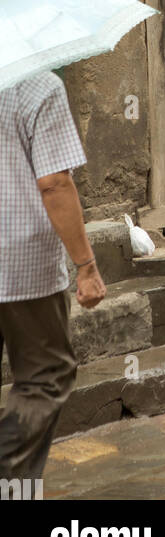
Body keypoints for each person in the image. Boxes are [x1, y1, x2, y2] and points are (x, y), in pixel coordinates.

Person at [0, 72, 106, 482]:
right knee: (45, 375)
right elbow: (55, 183)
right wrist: (86, 266)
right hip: (18, 263)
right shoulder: (39, 85)